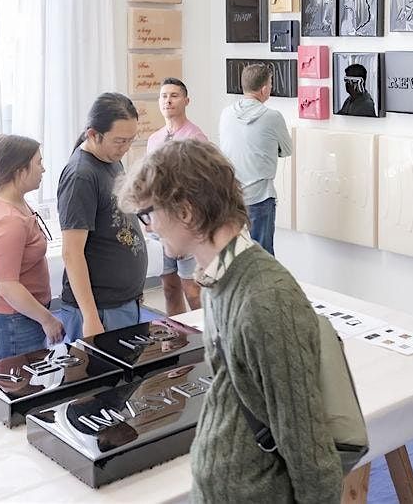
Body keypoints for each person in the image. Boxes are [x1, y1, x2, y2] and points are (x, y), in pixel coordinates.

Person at [117, 139, 341, 502]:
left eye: (148, 214)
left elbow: (307, 443)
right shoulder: (217, 280)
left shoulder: (266, 298)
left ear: (186, 211)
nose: (148, 228)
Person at [56, 93, 147, 340]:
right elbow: (71, 253)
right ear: (93, 135)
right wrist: (90, 317)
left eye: (130, 140)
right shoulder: (81, 176)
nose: (125, 148)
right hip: (99, 309)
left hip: (122, 303)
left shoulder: (111, 159)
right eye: (119, 141)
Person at [0, 135, 64, 359]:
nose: (43, 169)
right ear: (19, 170)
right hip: (12, 322)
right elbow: (7, 286)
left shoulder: (15, 202)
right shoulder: (8, 220)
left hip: (20, 318)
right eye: (39, 163)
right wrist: (47, 320)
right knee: (22, 380)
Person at [146, 78, 208, 315]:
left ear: (186, 101)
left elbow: (203, 188)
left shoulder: (195, 138)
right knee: (169, 288)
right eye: (164, 96)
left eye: (174, 95)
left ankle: (206, 335)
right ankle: (177, 335)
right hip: (160, 226)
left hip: (186, 227)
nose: (168, 101)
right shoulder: (154, 139)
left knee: (192, 291)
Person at [219, 63, 293, 256]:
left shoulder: (226, 113)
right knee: (263, 256)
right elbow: (287, 150)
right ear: (264, 89)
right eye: (270, 84)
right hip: (260, 196)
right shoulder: (273, 117)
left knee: (233, 256)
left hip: (231, 197)